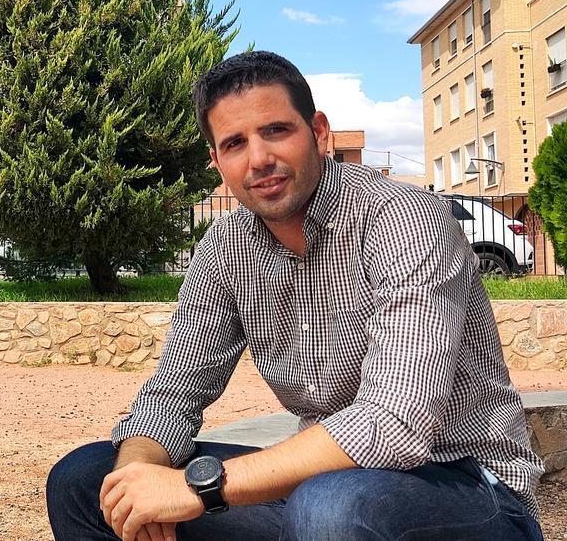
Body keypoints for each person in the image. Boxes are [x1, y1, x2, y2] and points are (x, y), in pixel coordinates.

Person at [45, 51, 544, 541]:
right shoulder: (225, 247)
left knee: (331, 506)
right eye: (235, 143)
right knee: (86, 480)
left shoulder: (405, 220)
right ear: (218, 161)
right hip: (327, 488)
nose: (259, 159)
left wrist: (198, 489)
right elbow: (174, 391)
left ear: (319, 133)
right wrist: (137, 478)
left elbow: (397, 422)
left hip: (470, 484)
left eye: (276, 131)